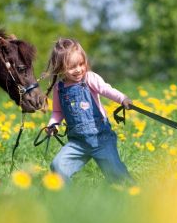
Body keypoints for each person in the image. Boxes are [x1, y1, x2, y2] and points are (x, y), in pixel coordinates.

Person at [44, 38, 133, 184]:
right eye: (72, 67)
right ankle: (67, 201)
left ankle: (134, 197)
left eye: (81, 64)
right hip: (78, 143)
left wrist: (122, 99)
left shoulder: (89, 78)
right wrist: (53, 125)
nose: (78, 69)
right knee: (57, 166)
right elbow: (58, 112)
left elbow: (106, 89)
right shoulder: (59, 88)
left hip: (101, 138)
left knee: (118, 175)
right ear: (60, 68)